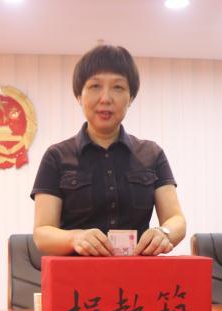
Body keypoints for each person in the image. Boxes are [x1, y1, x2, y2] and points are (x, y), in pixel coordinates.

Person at [31, 45, 186, 256]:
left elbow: (176, 220)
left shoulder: (152, 153)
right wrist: (75, 238)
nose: (105, 98)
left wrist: (164, 232)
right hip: (76, 274)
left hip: (139, 272)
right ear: (79, 96)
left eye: (118, 87)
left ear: (131, 98)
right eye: (95, 86)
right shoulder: (56, 157)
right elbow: (42, 233)